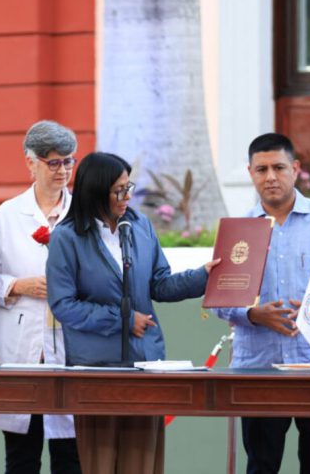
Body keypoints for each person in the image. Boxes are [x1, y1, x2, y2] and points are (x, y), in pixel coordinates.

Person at [46, 152, 219, 474]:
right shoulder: (67, 238)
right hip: (96, 370)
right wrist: (121, 320)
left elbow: (160, 285)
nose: (126, 197)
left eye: (128, 188)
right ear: (95, 191)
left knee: (142, 463)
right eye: (118, 191)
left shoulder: (139, 226)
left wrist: (204, 277)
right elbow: (63, 304)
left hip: (145, 363)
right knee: (100, 463)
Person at [212, 133, 310, 474]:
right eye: (261, 169)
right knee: (262, 464)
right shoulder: (238, 231)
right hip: (257, 367)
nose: (270, 177)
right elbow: (219, 301)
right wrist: (253, 315)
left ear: (295, 169)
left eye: (279, 167)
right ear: (250, 173)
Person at [0, 121, 81, 474]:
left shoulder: (84, 215)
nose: (63, 171)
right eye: (53, 162)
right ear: (31, 163)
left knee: (71, 455)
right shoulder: (7, 216)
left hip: (70, 345)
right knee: (22, 455)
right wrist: (17, 286)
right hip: (23, 345)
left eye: (68, 162)